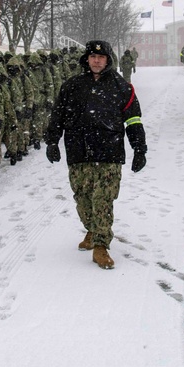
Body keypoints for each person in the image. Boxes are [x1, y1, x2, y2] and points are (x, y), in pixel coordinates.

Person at [45, 40, 148, 270]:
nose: (97, 60)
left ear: (108, 60)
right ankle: (92, 229)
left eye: (101, 57)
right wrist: (52, 140)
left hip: (109, 151)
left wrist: (139, 148)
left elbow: (133, 119)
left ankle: (101, 245)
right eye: (93, 57)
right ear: (87, 59)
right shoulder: (71, 86)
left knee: (103, 199)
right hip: (78, 150)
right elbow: (58, 115)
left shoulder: (122, 87)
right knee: (82, 198)